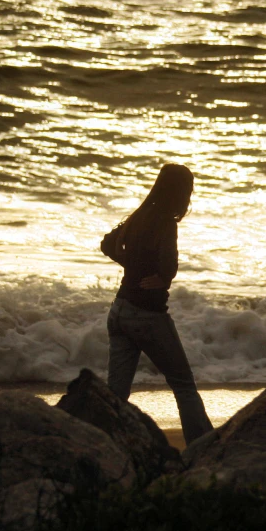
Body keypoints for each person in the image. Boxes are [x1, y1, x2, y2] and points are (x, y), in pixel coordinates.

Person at [100, 163, 213, 446]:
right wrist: (162, 277)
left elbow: (107, 243)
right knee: (184, 385)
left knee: (116, 394)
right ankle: (204, 448)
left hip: (120, 311)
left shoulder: (138, 216)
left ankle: (101, 444)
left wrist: (132, 266)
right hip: (147, 316)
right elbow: (169, 265)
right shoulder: (165, 223)